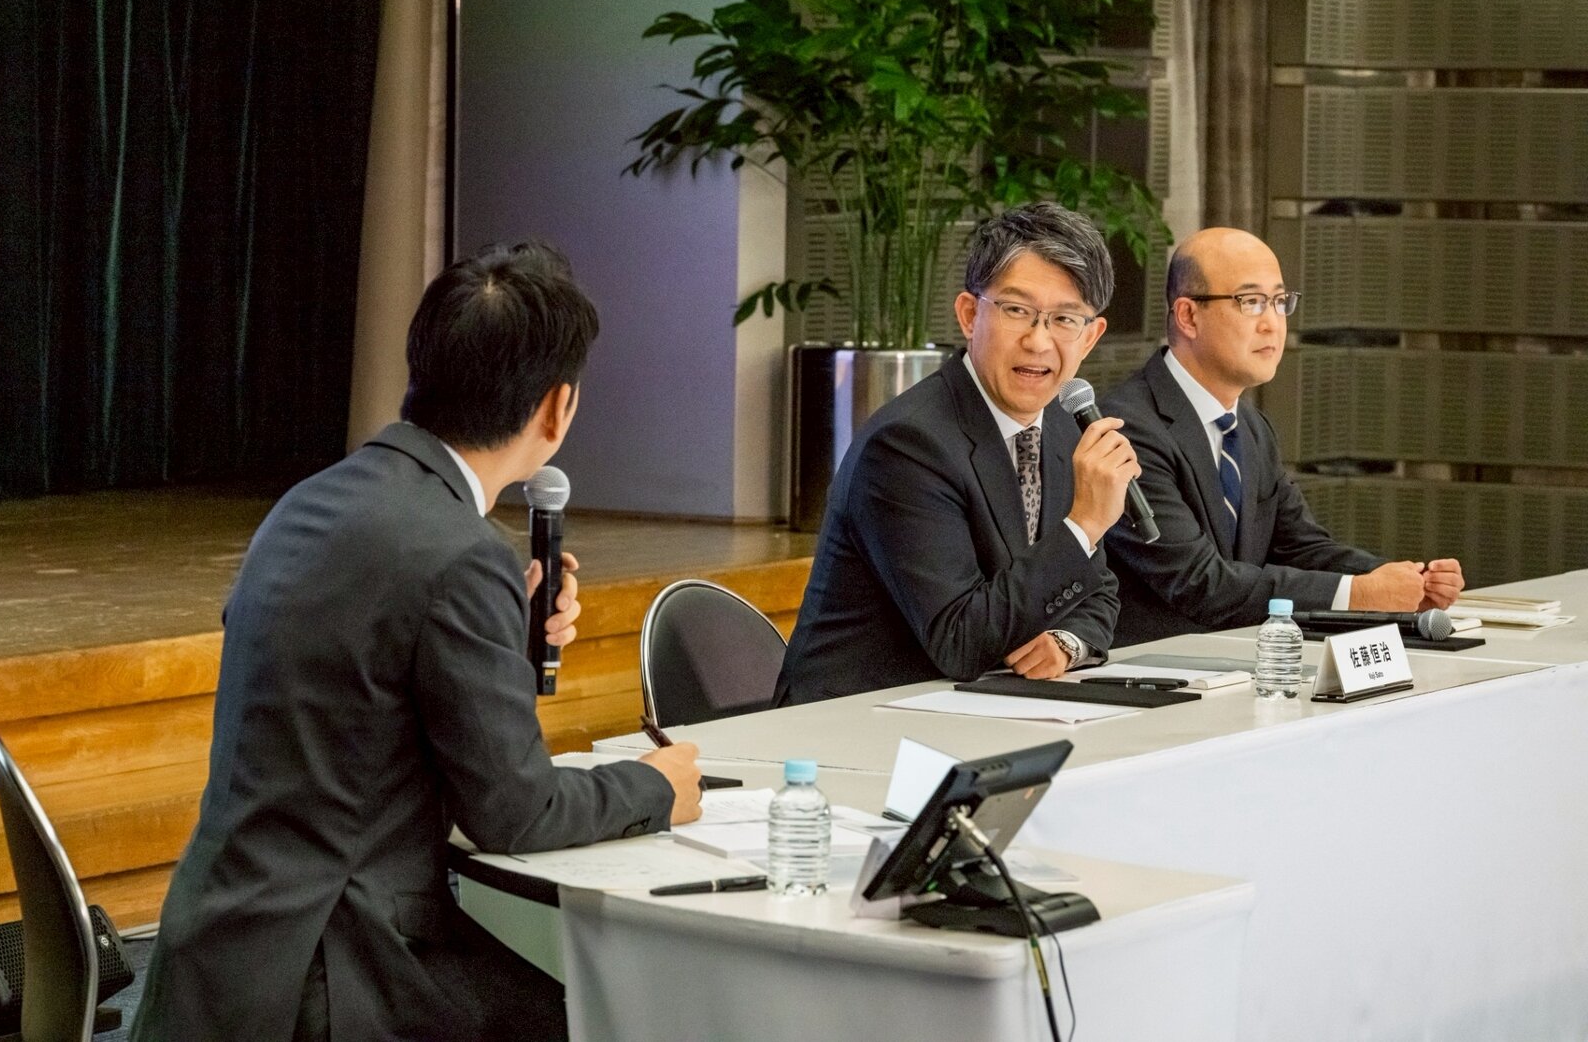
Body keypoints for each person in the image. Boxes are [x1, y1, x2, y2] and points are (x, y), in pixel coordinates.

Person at [131, 242, 703, 1042]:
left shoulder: (309, 502)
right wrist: (653, 786)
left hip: (218, 954)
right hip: (335, 973)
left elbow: (352, 698)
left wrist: (501, 634)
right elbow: (516, 811)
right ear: (557, 409)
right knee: (611, 1016)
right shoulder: (462, 554)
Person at [776, 201, 1138, 706]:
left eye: (1064, 319)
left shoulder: (1062, 427)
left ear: (1091, 336)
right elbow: (960, 640)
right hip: (858, 719)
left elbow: (1096, 590)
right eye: (1017, 311)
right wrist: (1085, 525)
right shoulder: (908, 444)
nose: (1038, 341)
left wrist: (1065, 642)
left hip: (981, 708)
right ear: (970, 314)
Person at [1099, 227, 1465, 647]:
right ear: (1188, 316)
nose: (1272, 323)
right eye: (1251, 302)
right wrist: (1360, 594)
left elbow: (1300, 547)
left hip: (1235, 664)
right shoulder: (1127, 428)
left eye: (1279, 301)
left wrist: (1405, 581)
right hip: (1147, 668)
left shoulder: (1251, 427)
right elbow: (1198, 582)